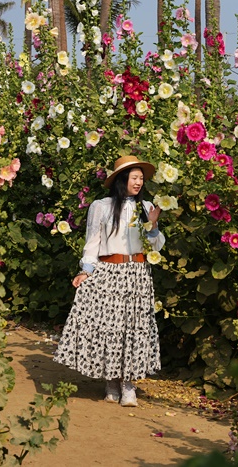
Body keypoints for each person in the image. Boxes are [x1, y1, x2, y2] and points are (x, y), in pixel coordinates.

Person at [53, 154, 165, 407]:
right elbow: (92, 242)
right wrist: (86, 270)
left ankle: (129, 385)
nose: (138, 182)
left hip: (137, 274)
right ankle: (111, 382)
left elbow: (157, 245)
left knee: (134, 328)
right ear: (122, 179)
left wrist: (153, 226)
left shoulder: (147, 208)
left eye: (141, 178)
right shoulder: (101, 207)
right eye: (134, 177)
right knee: (111, 328)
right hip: (109, 272)